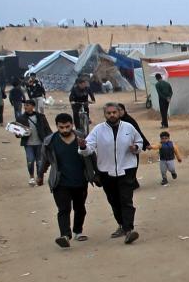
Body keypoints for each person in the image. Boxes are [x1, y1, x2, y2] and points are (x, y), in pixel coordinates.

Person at [82, 101, 145, 244]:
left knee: (126, 200)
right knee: (114, 201)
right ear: (105, 114)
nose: (111, 115)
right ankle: (122, 225)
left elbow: (139, 142)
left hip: (127, 169)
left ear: (119, 113)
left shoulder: (129, 127)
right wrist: (83, 146)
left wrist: (135, 147)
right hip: (106, 171)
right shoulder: (98, 130)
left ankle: (129, 230)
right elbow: (88, 148)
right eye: (108, 113)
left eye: (114, 112)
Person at [33, 112, 90, 248]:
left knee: (80, 208)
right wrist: (40, 175)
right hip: (60, 182)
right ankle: (65, 235)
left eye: (67, 127)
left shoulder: (81, 137)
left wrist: (96, 174)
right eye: (61, 127)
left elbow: (90, 155)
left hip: (80, 180)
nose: (64, 130)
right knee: (63, 209)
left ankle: (78, 231)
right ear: (57, 126)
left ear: (72, 125)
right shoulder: (50, 141)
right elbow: (44, 160)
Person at [16, 99, 49, 180]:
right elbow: (17, 133)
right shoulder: (21, 118)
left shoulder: (41, 117)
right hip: (28, 144)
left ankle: (39, 177)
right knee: (30, 161)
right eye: (25, 105)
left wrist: (50, 140)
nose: (25, 107)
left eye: (27, 105)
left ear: (33, 106)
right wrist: (18, 134)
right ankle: (31, 177)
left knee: (39, 162)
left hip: (40, 143)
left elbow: (47, 129)